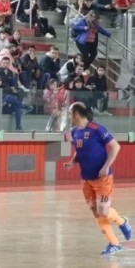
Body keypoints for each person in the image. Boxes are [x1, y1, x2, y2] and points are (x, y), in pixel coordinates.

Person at [64, 102, 132, 255]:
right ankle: (114, 243)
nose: (69, 116)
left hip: (102, 178)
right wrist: (72, 162)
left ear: (76, 114)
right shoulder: (74, 132)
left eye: (70, 113)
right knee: (96, 211)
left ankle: (122, 221)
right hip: (86, 179)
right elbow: (79, 151)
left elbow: (116, 147)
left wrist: (106, 166)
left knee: (104, 211)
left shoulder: (97, 129)